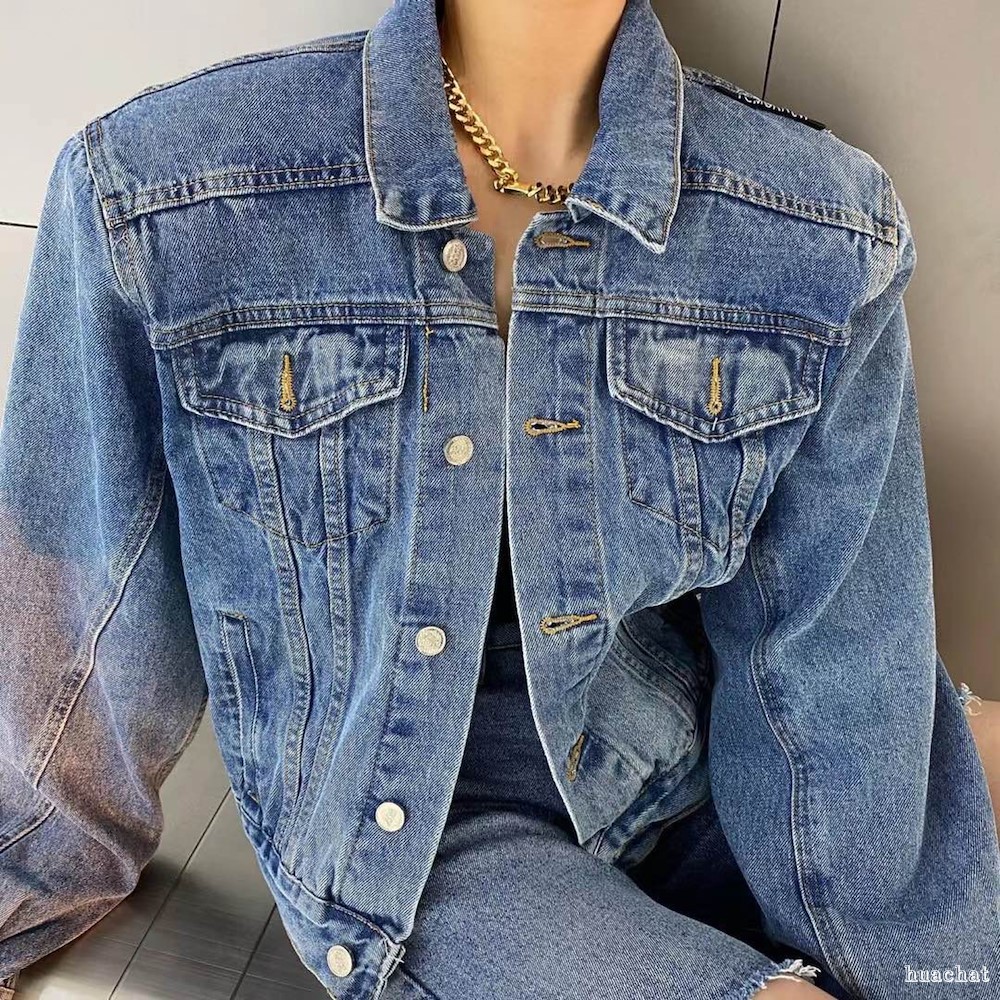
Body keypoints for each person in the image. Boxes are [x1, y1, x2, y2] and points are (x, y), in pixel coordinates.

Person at [0, 0, 997, 997]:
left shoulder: (817, 226)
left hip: (677, 756)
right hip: (420, 825)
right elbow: (84, 623)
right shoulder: (169, 194)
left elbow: (833, 665)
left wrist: (919, 970)